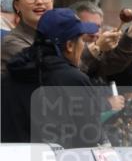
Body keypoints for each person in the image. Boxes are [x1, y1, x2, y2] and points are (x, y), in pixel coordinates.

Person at [1, 8, 122, 147]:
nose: (83, 45)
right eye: (82, 40)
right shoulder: (73, 80)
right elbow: (90, 136)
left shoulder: (12, 73)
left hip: (10, 158)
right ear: (70, 45)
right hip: (60, 159)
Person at [68, 1, 132, 82]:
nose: (94, 33)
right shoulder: (62, 53)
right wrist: (97, 47)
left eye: (98, 27)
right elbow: (72, 74)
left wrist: (131, 34)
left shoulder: (101, 53)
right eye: (88, 26)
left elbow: (111, 64)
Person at [2, 0, 54, 74]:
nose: (39, 2)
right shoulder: (11, 43)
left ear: (52, 1)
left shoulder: (57, 36)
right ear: (17, 5)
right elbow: (51, 71)